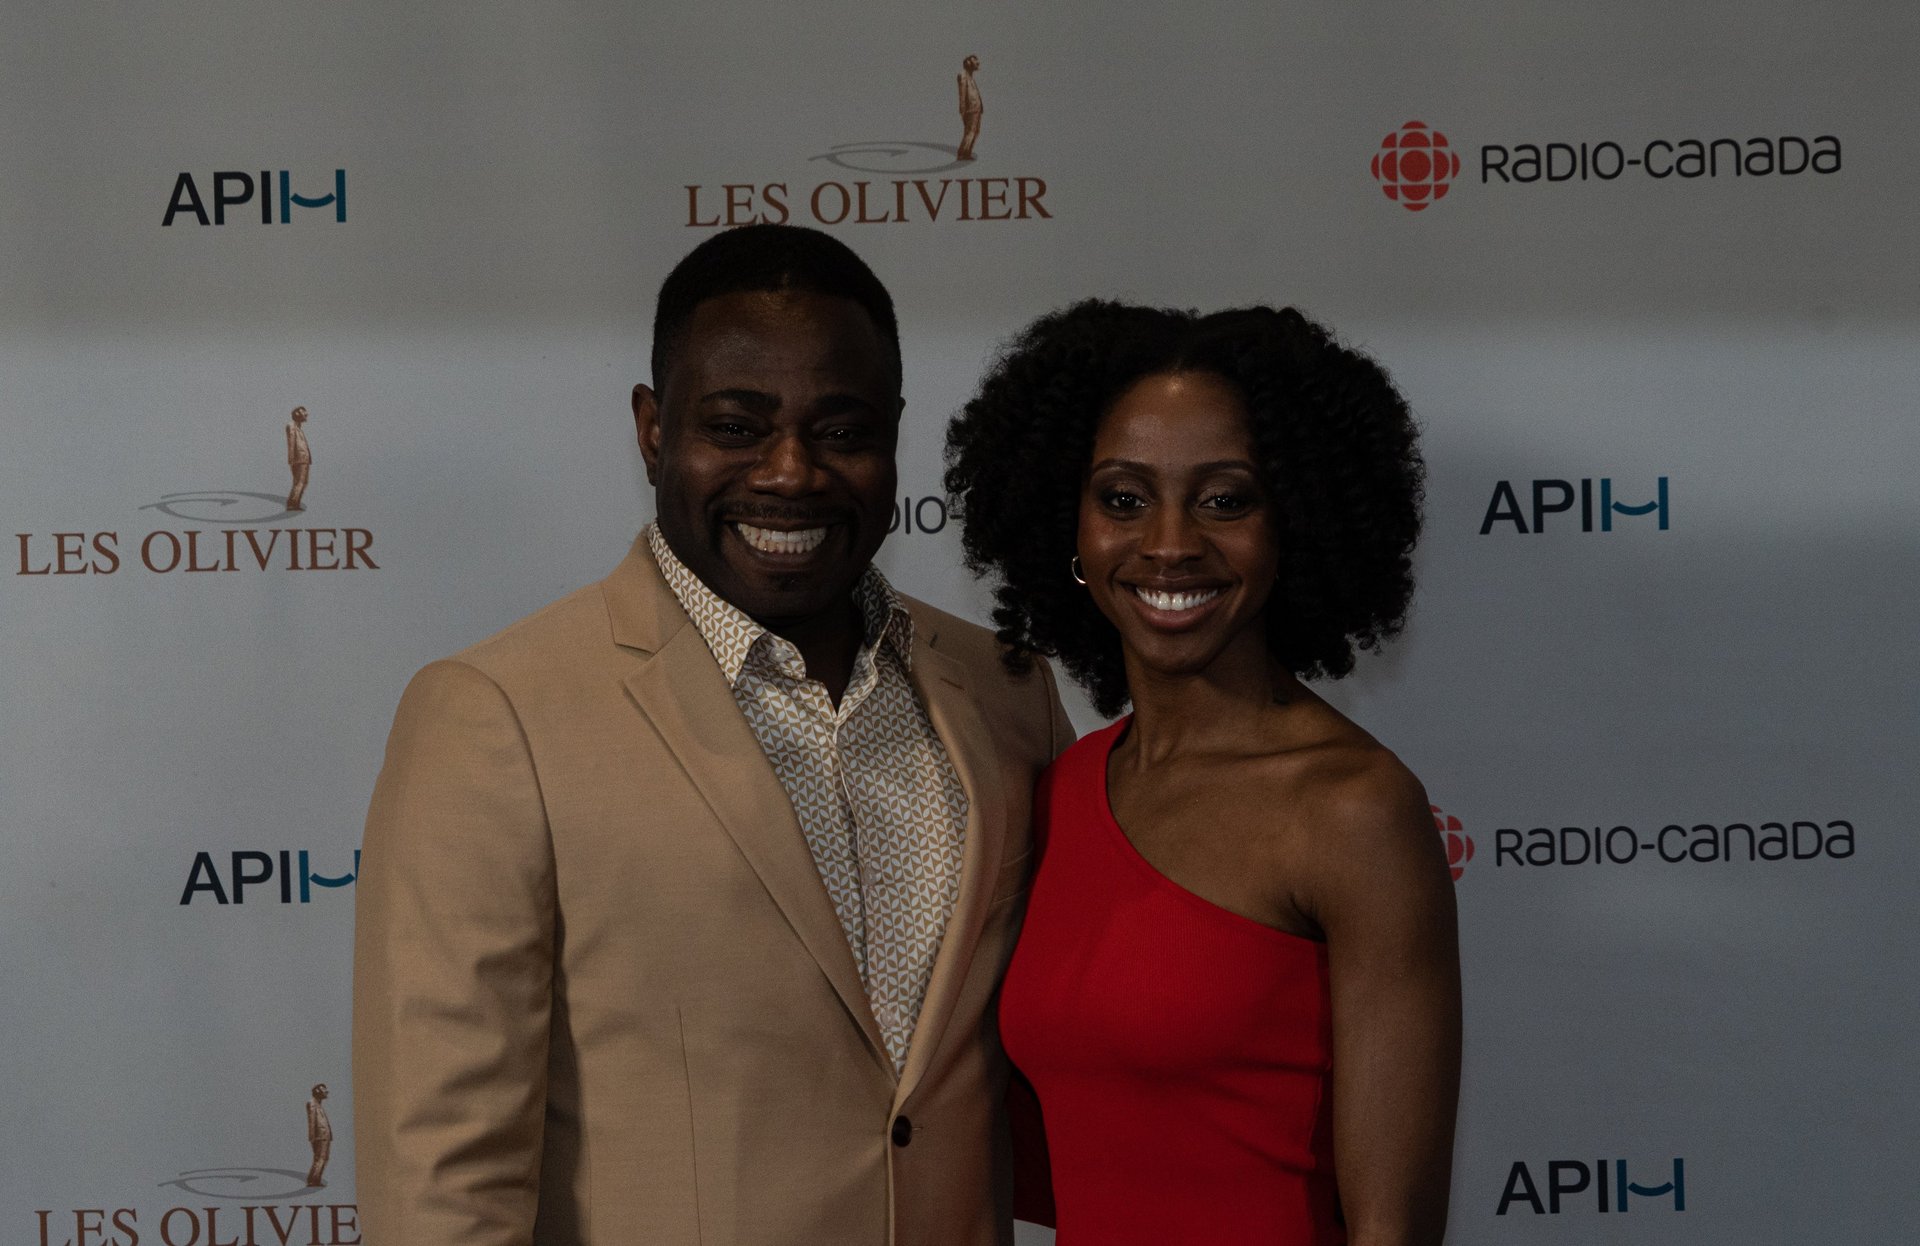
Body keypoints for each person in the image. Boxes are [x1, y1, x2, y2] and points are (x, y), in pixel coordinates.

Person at [352, 223, 1072, 1246]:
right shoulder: (494, 715)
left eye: (841, 430)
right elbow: (441, 1173)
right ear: (653, 430)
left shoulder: (1006, 689)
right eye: (736, 426)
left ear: (894, 434)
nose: (791, 473)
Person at [945, 301, 1460, 1245]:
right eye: (1123, 499)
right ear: (1066, 521)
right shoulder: (1062, 789)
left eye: (1225, 500)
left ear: (1295, 520)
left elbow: (1392, 1230)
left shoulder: (1354, 810)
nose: (1171, 543)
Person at [304, 1083, 332, 1188]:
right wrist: (312, 1137)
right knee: (321, 1158)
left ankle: (313, 1179)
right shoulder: (312, 1103)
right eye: (324, 1090)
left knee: (321, 1158)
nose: (326, 1091)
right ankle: (313, 1181)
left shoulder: (318, 1104)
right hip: (320, 1136)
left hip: (323, 1136)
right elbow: (312, 1121)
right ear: (317, 1091)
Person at [956, 55, 983, 161]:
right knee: (970, 132)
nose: (977, 63)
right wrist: (962, 109)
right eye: (975, 61)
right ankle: (962, 153)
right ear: (968, 63)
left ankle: (967, 153)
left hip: (976, 109)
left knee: (975, 132)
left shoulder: (970, 76)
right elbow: (962, 94)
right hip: (970, 109)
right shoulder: (963, 75)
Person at [285, 405, 311, 511]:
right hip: (299, 459)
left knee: (303, 482)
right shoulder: (291, 425)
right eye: (303, 412)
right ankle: (292, 503)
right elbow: (291, 443)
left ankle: (294, 502)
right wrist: (291, 458)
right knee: (300, 482)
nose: (306, 414)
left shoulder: (298, 427)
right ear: (297, 414)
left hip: (303, 459)